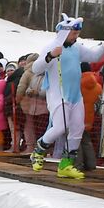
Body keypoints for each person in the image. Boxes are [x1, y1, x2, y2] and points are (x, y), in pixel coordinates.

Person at [30, 16, 87, 179]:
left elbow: (95, 56)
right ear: (64, 32)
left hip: (76, 96)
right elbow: (36, 68)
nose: (76, 37)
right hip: (58, 94)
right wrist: (50, 55)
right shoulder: (52, 46)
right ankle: (38, 151)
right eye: (74, 34)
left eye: (77, 34)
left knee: (77, 128)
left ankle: (66, 165)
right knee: (60, 127)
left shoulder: (77, 48)